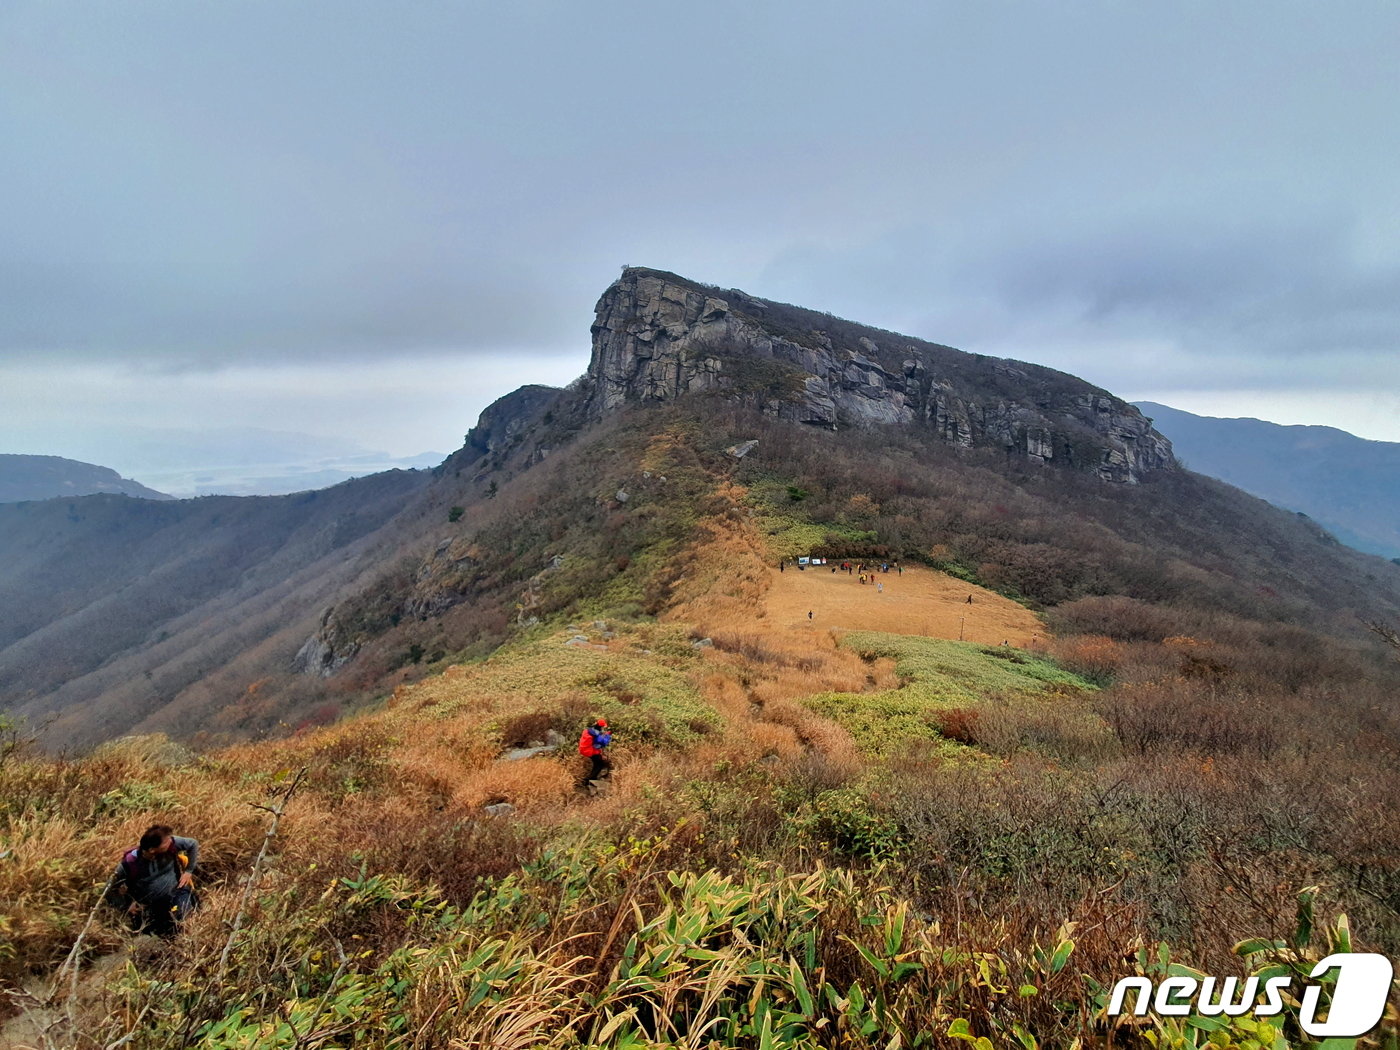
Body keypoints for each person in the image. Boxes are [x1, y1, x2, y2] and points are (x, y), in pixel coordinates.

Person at [107, 825, 199, 936]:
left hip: (177, 892)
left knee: (184, 917)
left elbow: (193, 844)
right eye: (166, 842)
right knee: (162, 933)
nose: (171, 841)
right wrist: (126, 906)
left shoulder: (171, 844)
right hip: (151, 907)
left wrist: (188, 871)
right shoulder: (129, 864)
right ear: (152, 850)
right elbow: (109, 890)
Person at [578, 718, 613, 785]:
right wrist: (608, 735)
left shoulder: (588, 730)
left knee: (596, 763)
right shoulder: (596, 734)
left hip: (583, 749)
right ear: (601, 727)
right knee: (600, 764)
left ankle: (590, 779)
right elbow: (603, 742)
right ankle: (589, 780)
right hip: (590, 751)